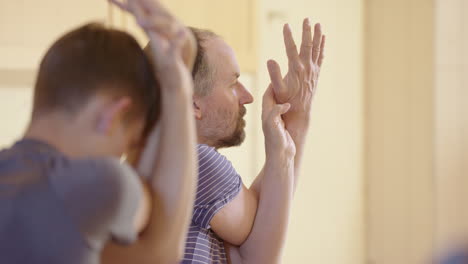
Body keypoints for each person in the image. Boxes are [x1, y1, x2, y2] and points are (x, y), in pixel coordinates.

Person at [0, 0, 198, 263]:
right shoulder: (95, 185)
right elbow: (161, 251)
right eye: (131, 143)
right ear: (112, 116)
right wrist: (178, 87)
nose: (124, 157)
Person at [145, 18, 325, 263]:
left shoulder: (155, 160)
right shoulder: (195, 162)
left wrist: (291, 127)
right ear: (193, 103)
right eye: (233, 84)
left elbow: (252, 240)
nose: (247, 96)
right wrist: (297, 120)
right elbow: (260, 255)